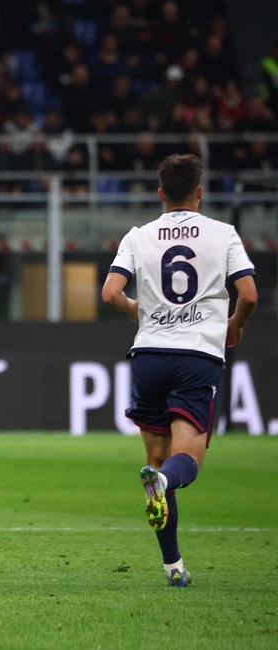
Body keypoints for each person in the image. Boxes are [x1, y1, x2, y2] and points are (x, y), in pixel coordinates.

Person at [101, 154, 257, 587]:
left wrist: (137, 309)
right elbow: (248, 293)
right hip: (197, 357)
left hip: (148, 354)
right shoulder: (223, 234)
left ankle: (173, 566)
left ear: (161, 193)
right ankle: (164, 482)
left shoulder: (139, 235)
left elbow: (110, 292)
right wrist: (235, 326)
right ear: (200, 192)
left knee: (155, 459)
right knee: (185, 460)